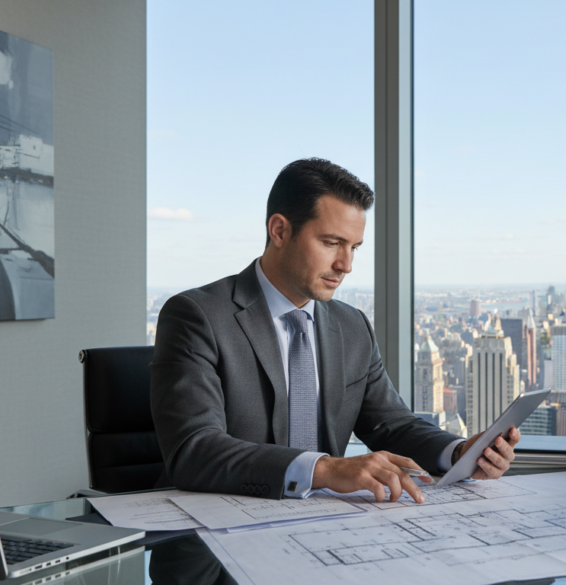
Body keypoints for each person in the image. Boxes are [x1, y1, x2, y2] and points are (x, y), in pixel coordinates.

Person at [150, 158, 520, 504]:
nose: (346, 265)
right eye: (331, 243)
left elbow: (392, 426)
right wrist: (325, 469)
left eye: (354, 247)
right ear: (279, 230)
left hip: (323, 530)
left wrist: (460, 453)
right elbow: (194, 450)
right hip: (216, 534)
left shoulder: (352, 325)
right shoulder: (197, 316)